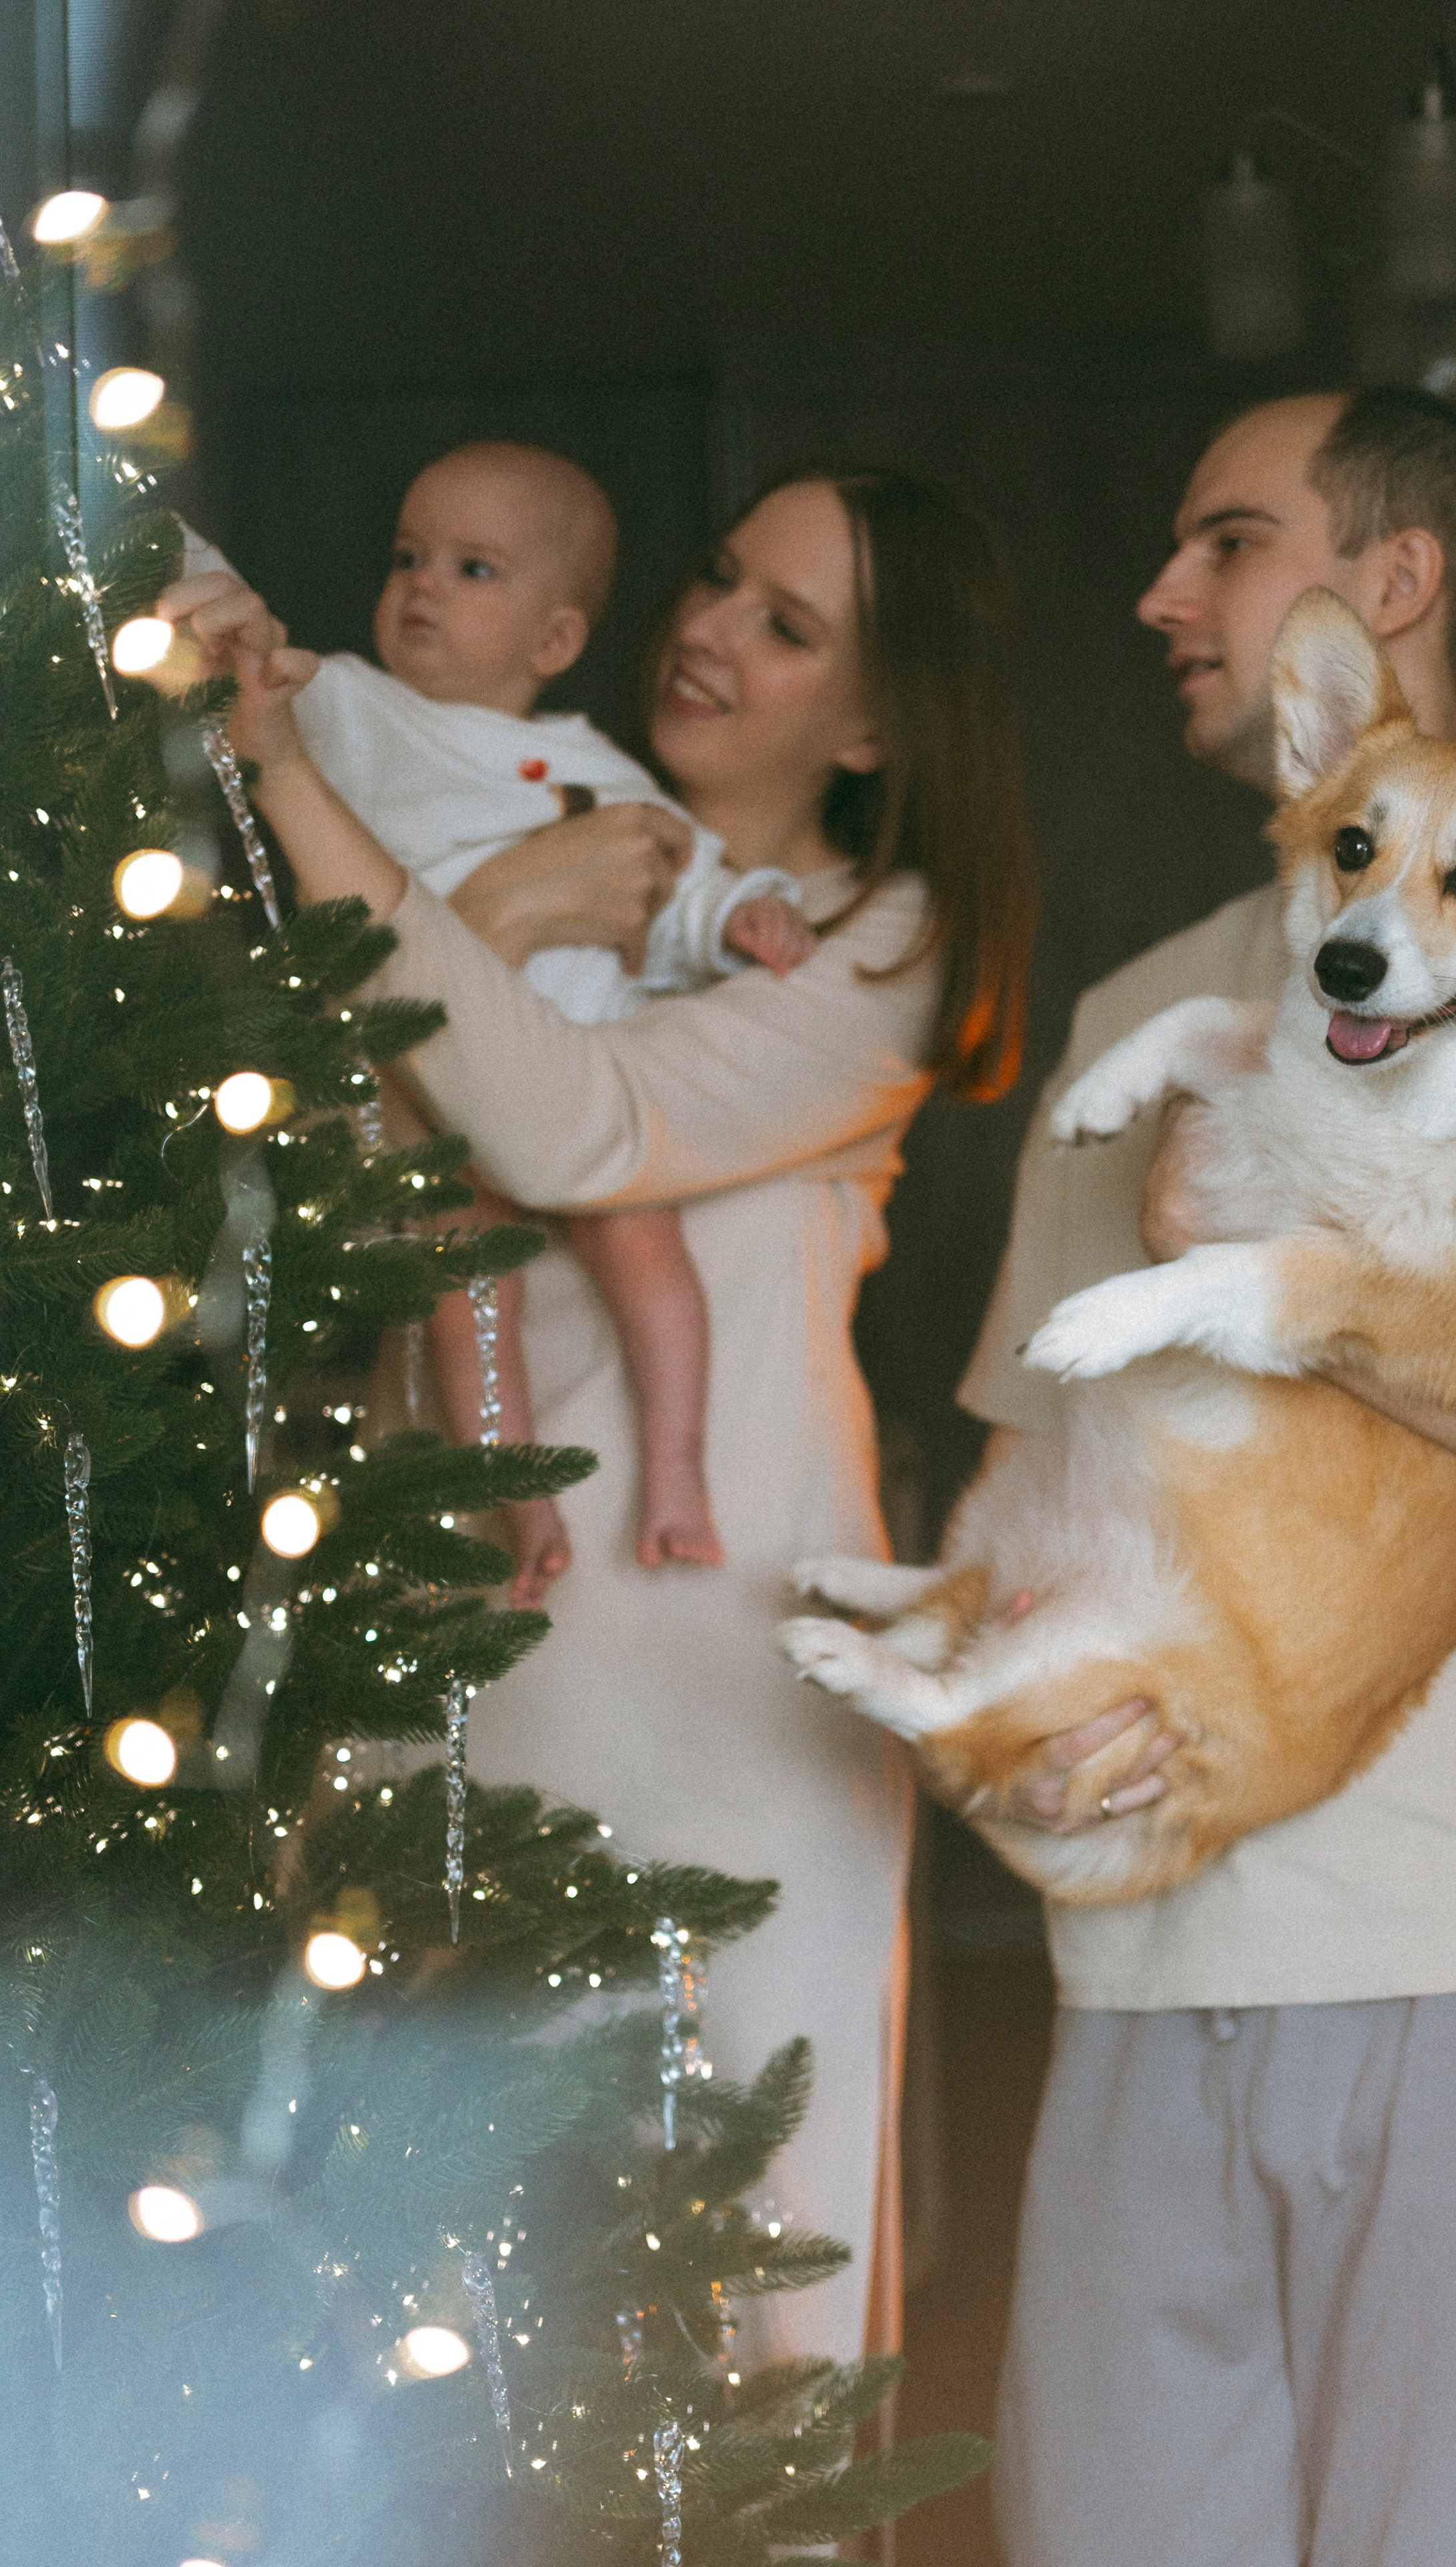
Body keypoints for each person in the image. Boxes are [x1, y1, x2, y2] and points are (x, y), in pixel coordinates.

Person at [162, 467, 1035, 2366]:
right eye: (720, 575)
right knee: (439, 2295)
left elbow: (567, 1120)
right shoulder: (498, 793)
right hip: (452, 1608)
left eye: (786, 624)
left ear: (878, 721)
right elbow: (331, 1164)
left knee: (749, 2277)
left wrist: (427, 876)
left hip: (719, 1650)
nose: (710, 629)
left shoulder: (876, 943)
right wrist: (510, 892)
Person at [957, 389, 1456, 2566]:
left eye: (1226, 542)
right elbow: (1024, 1500)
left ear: (1389, 590)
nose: (1158, 596)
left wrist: (1289, 1279)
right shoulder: (1143, 1008)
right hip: (1148, 1976)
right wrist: (1017, 1710)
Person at [174, 439, 819, 1592]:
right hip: (446, 1097)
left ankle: (676, 1470)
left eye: (474, 569)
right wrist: (183, 569)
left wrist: (744, 916)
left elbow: (682, 880)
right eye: (409, 555)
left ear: (556, 640)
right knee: (466, 1292)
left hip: (578, 1064)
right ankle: (519, 1501)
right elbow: (255, 653)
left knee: (647, 1249)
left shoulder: (600, 768)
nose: (422, 584)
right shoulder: (362, 709)